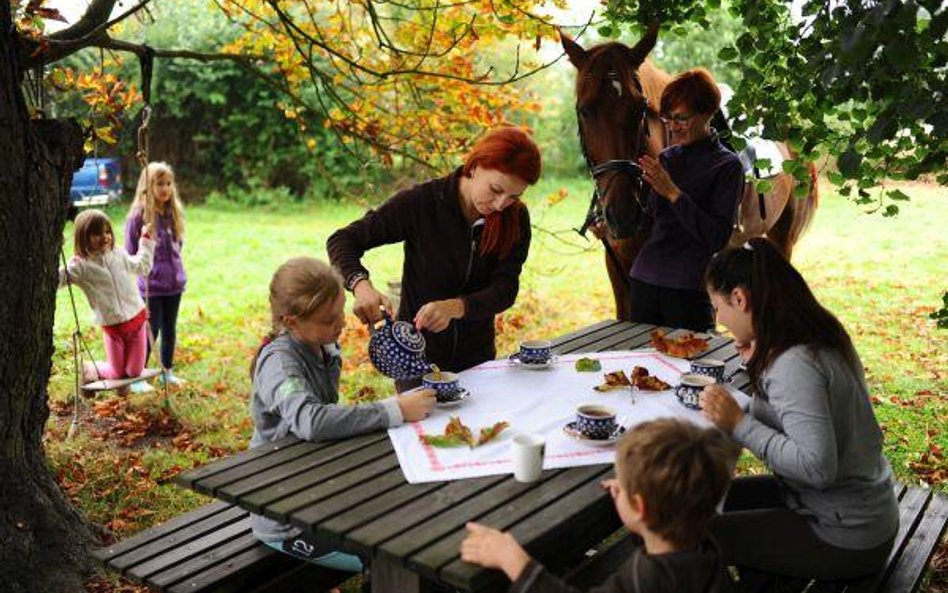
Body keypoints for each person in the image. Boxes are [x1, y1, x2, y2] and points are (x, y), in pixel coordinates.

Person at [700, 237, 899, 580]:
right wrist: (757, 367)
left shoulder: (794, 362)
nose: (720, 320)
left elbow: (817, 467)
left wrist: (738, 423)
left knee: (686, 537)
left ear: (739, 299)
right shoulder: (809, 333)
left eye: (718, 307)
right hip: (844, 510)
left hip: (844, 534)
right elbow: (794, 417)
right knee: (697, 503)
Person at [249, 256, 436, 572]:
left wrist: (386, 333)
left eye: (339, 313)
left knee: (409, 518)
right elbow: (312, 421)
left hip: (316, 488)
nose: (340, 324)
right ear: (291, 321)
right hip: (284, 517)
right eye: (328, 320)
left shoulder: (319, 346)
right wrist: (394, 410)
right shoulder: (280, 366)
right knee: (393, 557)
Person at [327, 127, 541, 387]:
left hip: (478, 363)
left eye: (513, 196)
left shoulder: (515, 218)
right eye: (495, 190)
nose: (500, 205)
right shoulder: (422, 203)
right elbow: (342, 241)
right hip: (414, 361)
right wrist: (361, 286)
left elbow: (505, 290)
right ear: (475, 166)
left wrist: (456, 307)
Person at [460, 418, 738, 593]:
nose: (616, 485)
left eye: (622, 483)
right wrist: (633, 490)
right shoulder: (703, 546)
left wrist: (514, 561)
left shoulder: (649, 579)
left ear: (640, 508)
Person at [631, 68, 744, 332]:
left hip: (689, 289)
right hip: (643, 281)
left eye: (681, 118)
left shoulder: (727, 166)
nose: (672, 127)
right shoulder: (666, 159)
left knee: (692, 369)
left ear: (707, 114)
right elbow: (650, 223)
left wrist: (673, 192)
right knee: (640, 367)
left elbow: (716, 236)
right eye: (668, 118)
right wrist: (613, 225)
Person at [60, 209, 155, 392]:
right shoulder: (81, 266)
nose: (104, 237)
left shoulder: (118, 254)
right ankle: (90, 369)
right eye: (97, 233)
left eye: (107, 231)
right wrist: (54, 251)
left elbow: (142, 267)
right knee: (117, 373)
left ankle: (123, 382)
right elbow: (57, 280)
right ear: (83, 237)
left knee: (135, 371)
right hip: (113, 328)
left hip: (136, 321)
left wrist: (146, 241)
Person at [125, 161, 187, 390]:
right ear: (147, 186)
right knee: (152, 328)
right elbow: (131, 253)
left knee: (170, 329)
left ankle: (166, 372)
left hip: (174, 284)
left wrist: (175, 271)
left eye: (168, 183)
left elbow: (178, 245)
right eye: (159, 183)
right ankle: (137, 376)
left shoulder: (173, 214)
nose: (165, 188)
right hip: (152, 286)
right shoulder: (138, 218)